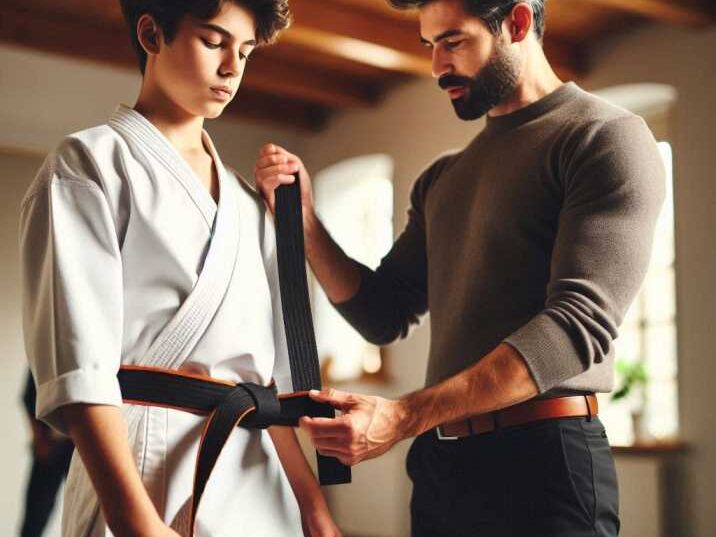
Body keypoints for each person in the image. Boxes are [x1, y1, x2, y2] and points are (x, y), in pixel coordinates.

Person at [254, 0, 666, 535]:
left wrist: (401, 417)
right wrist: (306, 222)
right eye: (429, 46)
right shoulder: (442, 180)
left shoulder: (603, 138)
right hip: (441, 469)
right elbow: (383, 312)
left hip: (545, 468)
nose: (436, 67)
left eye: (453, 41)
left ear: (517, 22)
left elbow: (574, 328)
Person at [19, 1, 340, 536]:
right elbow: (80, 376)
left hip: (258, 485)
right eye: (215, 41)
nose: (232, 67)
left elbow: (265, 387)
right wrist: (134, 519)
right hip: (142, 473)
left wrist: (313, 509)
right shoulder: (89, 165)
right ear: (151, 33)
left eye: (245, 51)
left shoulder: (247, 203)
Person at [19, 369, 74, 537]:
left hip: (76, 447)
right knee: (36, 514)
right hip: (49, 446)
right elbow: (28, 398)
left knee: (80, 508)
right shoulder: (43, 354)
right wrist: (39, 439)